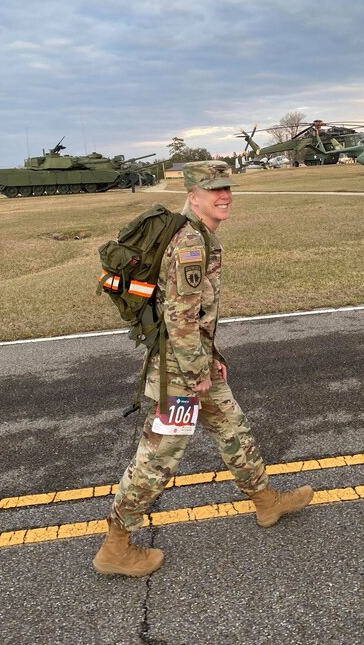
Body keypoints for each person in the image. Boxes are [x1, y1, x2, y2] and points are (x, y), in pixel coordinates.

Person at [93, 161, 313, 577]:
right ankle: (116, 545)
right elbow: (180, 318)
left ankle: (266, 501)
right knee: (159, 457)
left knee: (233, 427)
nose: (224, 195)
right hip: (180, 373)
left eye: (227, 187)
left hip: (194, 362)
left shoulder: (200, 236)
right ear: (193, 196)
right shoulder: (191, 244)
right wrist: (198, 375)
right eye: (214, 190)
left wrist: (210, 362)